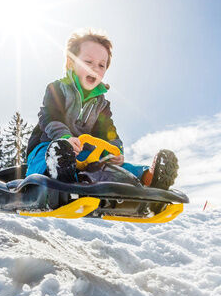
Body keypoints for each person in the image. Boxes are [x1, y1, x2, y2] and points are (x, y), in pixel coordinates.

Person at [26, 29, 178, 190]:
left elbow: (108, 131)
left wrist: (115, 151)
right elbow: (50, 117)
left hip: (84, 154)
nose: (95, 69)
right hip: (48, 145)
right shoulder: (58, 88)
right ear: (71, 63)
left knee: (115, 168)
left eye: (101, 65)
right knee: (50, 157)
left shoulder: (102, 104)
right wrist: (65, 138)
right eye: (88, 62)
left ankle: (149, 178)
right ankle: (58, 173)